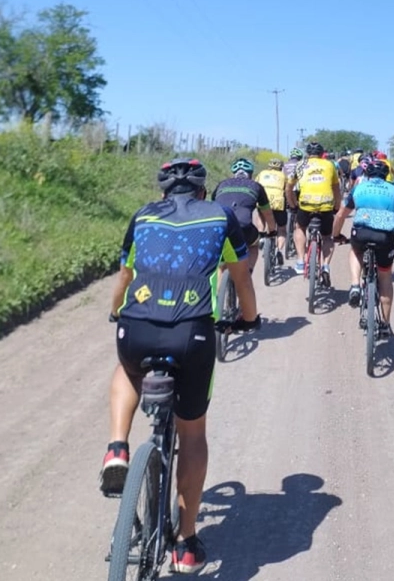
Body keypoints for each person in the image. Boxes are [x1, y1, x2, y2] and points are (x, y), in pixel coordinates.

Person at [102, 158, 261, 573]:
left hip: (136, 328)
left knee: (126, 369)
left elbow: (125, 273)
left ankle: (117, 448)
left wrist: (116, 312)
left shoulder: (143, 215)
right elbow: (241, 277)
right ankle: (186, 543)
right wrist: (249, 318)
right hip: (190, 332)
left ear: (162, 192)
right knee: (192, 433)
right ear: (203, 191)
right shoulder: (220, 216)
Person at [331, 158, 394, 335]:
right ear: (386, 175)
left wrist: (336, 235)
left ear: (367, 174)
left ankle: (355, 285)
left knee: (355, 250)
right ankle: (385, 324)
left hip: (362, 233)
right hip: (385, 237)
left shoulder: (359, 188)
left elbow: (341, 215)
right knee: (385, 277)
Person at [285, 141, 341, 282]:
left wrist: (292, 204)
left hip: (306, 204)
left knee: (300, 228)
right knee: (327, 237)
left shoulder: (300, 165)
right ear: (322, 153)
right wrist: (337, 206)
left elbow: (289, 188)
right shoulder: (329, 165)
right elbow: (336, 188)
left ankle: (300, 261)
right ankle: (326, 266)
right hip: (326, 204)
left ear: (307, 154)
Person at [212, 158, 276, 273]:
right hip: (243, 227)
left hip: (218, 226)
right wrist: (272, 231)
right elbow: (268, 213)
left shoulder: (221, 184)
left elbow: (212, 204)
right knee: (253, 245)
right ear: (250, 174)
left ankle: (220, 283)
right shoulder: (256, 186)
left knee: (221, 263)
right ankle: (248, 273)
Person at [255, 158, 289, 265]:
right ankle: (279, 250)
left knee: (261, 216)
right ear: (280, 167)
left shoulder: (262, 173)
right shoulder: (283, 176)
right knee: (282, 229)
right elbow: (287, 190)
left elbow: (255, 186)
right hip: (278, 203)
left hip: (263, 202)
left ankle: (261, 236)